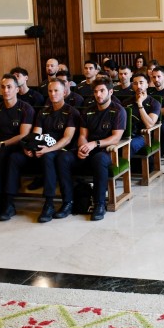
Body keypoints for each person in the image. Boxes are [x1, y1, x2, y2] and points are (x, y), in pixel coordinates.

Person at [5, 79, 80, 223]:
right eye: (50, 91)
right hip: (41, 148)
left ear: (64, 92)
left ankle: (49, 203)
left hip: (60, 150)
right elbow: (35, 135)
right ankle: (8, 203)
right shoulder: (43, 112)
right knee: (14, 157)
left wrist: (48, 150)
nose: (52, 94)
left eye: (56, 91)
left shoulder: (72, 112)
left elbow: (67, 138)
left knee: (48, 157)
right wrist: (29, 148)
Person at [57, 77, 126, 221]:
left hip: (106, 151)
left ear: (111, 91)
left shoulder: (118, 110)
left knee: (99, 159)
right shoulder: (88, 111)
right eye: (95, 91)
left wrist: (94, 144)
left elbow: (116, 138)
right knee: (63, 158)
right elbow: (83, 135)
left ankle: (99, 204)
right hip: (88, 149)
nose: (98, 95)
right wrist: (82, 147)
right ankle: (67, 202)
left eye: (102, 91)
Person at [0, 74, 35, 221]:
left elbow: (23, 135)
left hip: (18, 147)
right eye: (3, 87)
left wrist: (0, 144)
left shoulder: (26, 108)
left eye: (9, 87)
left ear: (16, 89)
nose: (6, 90)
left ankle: (4, 202)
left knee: (6, 155)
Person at [130, 73, 161, 158]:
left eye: (141, 83)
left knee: (131, 145)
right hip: (127, 134)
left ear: (147, 84)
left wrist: (140, 104)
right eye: (135, 83)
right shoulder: (126, 102)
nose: (138, 86)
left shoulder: (154, 103)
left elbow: (149, 124)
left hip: (143, 135)